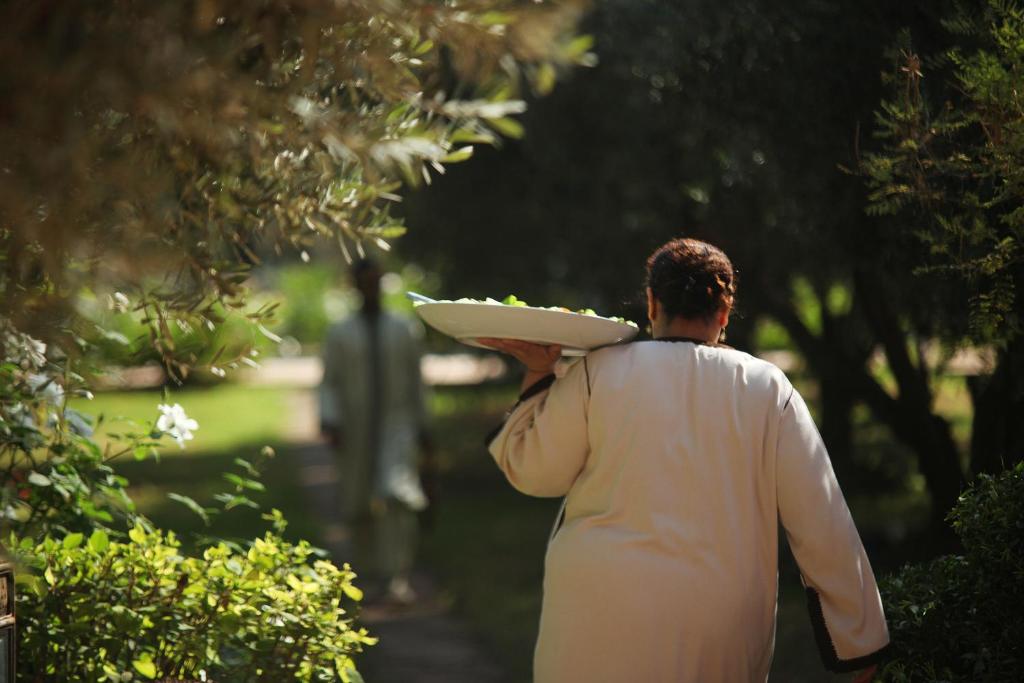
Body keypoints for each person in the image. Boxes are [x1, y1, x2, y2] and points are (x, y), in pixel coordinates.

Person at [479, 237, 888, 682]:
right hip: (716, 620)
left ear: (653, 303)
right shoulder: (767, 388)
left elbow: (535, 471)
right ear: (725, 313)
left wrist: (539, 371)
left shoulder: (600, 370)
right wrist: (860, 641)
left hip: (596, 610)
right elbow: (821, 519)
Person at [319, 258, 431, 604]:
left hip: (396, 426)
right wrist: (331, 420)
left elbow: (418, 382)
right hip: (354, 428)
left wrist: (425, 427)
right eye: (363, 281)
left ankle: (396, 574)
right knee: (356, 500)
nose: (370, 287)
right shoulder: (340, 332)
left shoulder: (403, 329)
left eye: (375, 281)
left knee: (397, 497)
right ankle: (366, 571)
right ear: (354, 285)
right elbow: (329, 383)